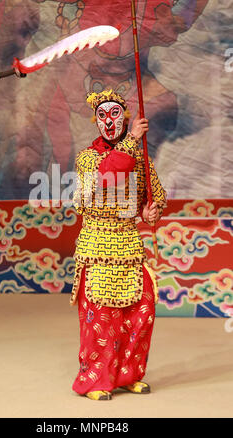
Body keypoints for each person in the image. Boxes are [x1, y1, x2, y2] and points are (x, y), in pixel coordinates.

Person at [70, 89, 167, 400]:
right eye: (102, 115)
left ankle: (128, 374)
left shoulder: (138, 157)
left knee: (141, 312)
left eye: (114, 114)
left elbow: (152, 196)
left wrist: (148, 211)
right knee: (102, 317)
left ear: (124, 118)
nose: (108, 121)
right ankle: (95, 381)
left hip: (129, 245)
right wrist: (132, 140)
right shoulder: (88, 157)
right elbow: (109, 176)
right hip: (98, 246)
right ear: (95, 121)